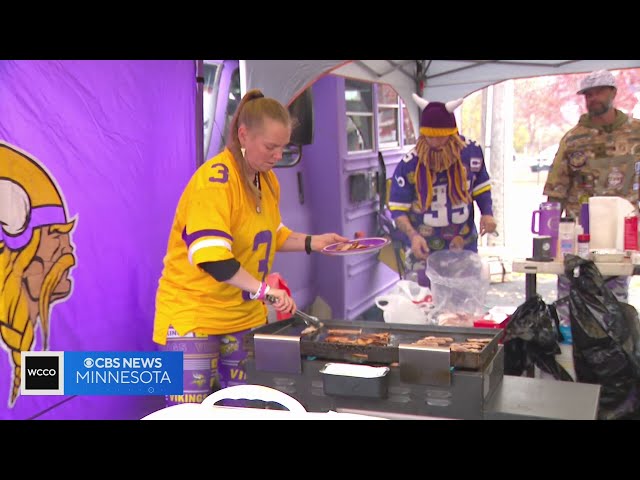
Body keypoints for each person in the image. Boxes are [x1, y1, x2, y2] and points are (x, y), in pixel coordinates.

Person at [152, 89, 347, 406]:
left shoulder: (266, 179)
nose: (277, 156)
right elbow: (212, 259)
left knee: (247, 409)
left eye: (283, 148)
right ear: (244, 135)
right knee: (185, 412)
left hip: (241, 316)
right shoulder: (215, 181)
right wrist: (264, 291)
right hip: (193, 317)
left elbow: (273, 234)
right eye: (270, 147)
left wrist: (315, 242)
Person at [543, 69, 640, 328]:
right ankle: (569, 357)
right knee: (570, 306)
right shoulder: (574, 138)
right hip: (579, 237)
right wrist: (549, 240)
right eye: (588, 94)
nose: (592, 98)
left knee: (615, 306)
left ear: (613, 93)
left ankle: (613, 358)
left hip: (621, 238)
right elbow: (556, 190)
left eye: (598, 92)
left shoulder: (636, 133)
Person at [388, 94, 497, 287]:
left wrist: (487, 213)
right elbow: (398, 209)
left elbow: (481, 188)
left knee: (462, 305)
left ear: (453, 133)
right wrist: (413, 236)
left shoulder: (471, 152)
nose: (435, 143)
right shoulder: (409, 163)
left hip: (462, 245)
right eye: (429, 136)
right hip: (422, 248)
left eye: (440, 137)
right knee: (424, 305)